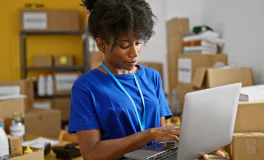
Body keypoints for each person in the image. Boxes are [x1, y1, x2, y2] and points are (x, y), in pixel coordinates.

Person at [68, 0, 225, 159]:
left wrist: (197, 147)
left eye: (138, 43)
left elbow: (163, 138)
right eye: (124, 45)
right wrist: (149, 135)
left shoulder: (152, 77)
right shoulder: (86, 87)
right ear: (101, 45)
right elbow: (92, 154)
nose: (135, 52)